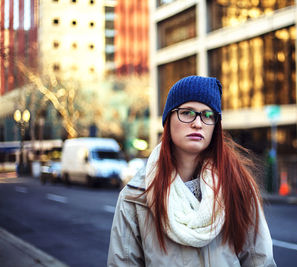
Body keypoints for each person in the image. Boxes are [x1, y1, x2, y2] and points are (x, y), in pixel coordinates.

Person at [107, 76, 276, 267]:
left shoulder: (237, 187)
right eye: (187, 112)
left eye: (208, 115)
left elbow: (260, 261)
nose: (198, 123)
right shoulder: (136, 196)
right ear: (168, 120)